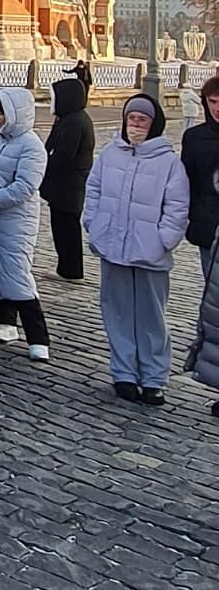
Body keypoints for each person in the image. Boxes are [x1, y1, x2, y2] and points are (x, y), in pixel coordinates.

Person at [83, 94, 189, 406]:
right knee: (117, 312)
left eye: (142, 120)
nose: (136, 125)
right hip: (113, 245)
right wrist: (94, 223)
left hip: (150, 251)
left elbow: (177, 207)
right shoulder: (110, 154)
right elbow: (94, 190)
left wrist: (163, 240)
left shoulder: (169, 162)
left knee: (150, 317)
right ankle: (124, 372)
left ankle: (154, 378)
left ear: (153, 124)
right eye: (132, 119)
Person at [0, 88, 50, 360]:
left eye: (1, 111)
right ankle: (5, 323)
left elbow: (24, 188)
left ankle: (38, 337)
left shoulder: (31, 145)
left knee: (17, 272)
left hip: (16, 217)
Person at [40, 76, 95, 283]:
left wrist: (46, 165)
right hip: (64, 185)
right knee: (62, 226)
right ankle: (66, 265)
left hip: (69, 185)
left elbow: (63, 154)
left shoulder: (75, 122)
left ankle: (71, 269)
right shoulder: (68, 119)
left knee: (67, 228)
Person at [182, 76, 219, 275]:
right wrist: (195, 214)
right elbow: (187, 181)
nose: (217, 108)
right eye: (213, 101)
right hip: (207, 225)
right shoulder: (194, 138)